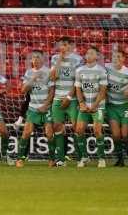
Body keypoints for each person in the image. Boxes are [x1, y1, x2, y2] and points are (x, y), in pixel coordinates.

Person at [16, 50, 55, 167]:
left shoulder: (48, 72)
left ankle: (52, 159)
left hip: (46, 108)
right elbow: (23, 90)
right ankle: (20, 159)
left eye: (38, 57)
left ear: (43, 59)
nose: (35, 60)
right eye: (33, 58)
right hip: (33, 108)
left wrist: (45, 106)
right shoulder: (28, 73)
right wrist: (33, 78)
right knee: (26, 132)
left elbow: (52, 92)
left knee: (49, 133)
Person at [50, 37, 83, 166]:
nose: (62, 47)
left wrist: (69, 97)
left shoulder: (78, 59)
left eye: (64, 45)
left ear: (70, 46)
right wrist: (60, 59)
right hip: (57, 98)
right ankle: (61, 159)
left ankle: (82, 157)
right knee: (57, 126)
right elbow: (53, 76)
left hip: (72, 99)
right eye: (60, 45)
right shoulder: (54, 58)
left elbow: (78, 80)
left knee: (76, 127)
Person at [75, 46, 108, 168]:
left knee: (97, 130)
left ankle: (101, 158)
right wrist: (81, 103)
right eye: (87, 53)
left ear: (97, 56)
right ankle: (84, 157)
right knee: (79, 130)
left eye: (91, 53)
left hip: (98, 106)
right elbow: (78, 88)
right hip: (84, 106)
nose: (88, 55)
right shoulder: (79, 70)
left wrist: (94, 105)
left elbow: (103, 90)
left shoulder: (102, 70)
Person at [105, 50, 128, 167]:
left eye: (118, 57)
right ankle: (120, 159)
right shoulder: (106, 68)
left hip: (125, 107)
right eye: (113, 56)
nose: (115, 59)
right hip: (112, 106)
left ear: (123, 59)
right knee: (116, 135)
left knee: (125, 134)